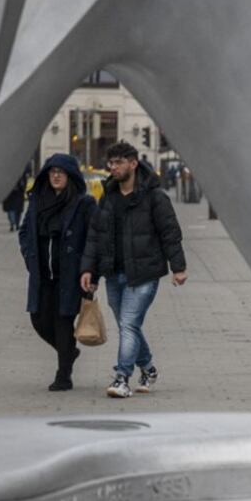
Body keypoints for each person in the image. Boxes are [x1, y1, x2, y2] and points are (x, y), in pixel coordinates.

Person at [79, 141, 187, 399]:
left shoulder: (154, 196)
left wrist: (178, 267)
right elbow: (96, 236)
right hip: (114, 273)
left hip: (144, 272)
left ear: (133, 163)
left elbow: (170, 232)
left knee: (128, 324)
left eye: (118, 162)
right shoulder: (108, 197)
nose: (113, 168)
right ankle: (148, 368)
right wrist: (89, 271)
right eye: (111, 163)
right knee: (129, 326)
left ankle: (122, 378)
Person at [19, 155, 96, 391]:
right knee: (39, 320)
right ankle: (69, 352)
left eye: (61, 172)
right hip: (42, 276)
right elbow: (24, 232)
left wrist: (90, 270)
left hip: (71, 277)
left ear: (70, 176)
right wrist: (29, 256)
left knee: (63, 324)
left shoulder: (84, 203)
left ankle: (64, 376)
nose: (56, 176)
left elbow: (94, 238)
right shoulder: (37, 201)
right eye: (52, 171)